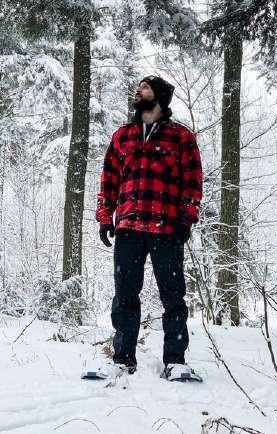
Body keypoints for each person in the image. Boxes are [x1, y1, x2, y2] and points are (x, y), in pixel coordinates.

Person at [95, 75, 203, 380]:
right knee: (125, 296)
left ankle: (175, 362)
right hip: (128, 228)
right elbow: (109, 180)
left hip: (167, 229)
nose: (137, 90)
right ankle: (122, 360)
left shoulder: (181, 137)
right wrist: (105, 217)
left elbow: (193, 181)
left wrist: (186, 219)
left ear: (159, 96)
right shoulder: (122, 136)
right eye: (138, 87)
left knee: (173, 298)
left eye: (144, 87)